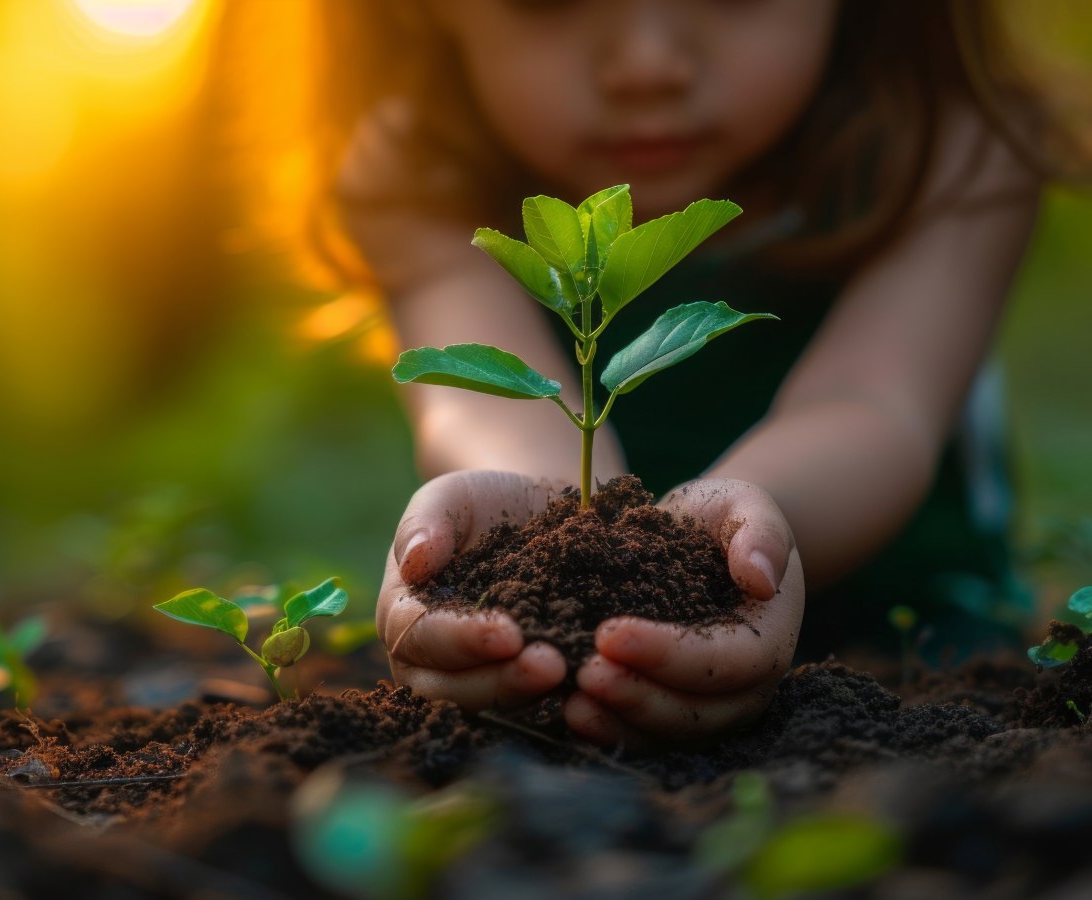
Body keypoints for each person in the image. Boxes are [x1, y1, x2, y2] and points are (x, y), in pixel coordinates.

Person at [275, 0, 1089, 750]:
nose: (646, 64)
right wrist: (539, 541)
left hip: (917, 641)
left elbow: (874, 403)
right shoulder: (419, 168)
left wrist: (724, 552)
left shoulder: (952, 150)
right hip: (582, 660)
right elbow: (482, 404)